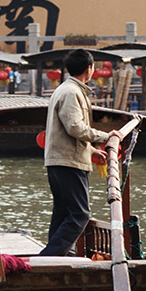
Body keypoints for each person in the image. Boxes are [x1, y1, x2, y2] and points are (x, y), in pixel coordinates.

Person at [39, 48, 103, 256]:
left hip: (61, 160)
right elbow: (74, 127)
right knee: (80, 214)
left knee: (63, 212)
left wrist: (92, 150)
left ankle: (58, 255)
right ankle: (49, 257)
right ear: (89, 69)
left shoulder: (66, 90)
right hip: (68, 162)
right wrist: (104, 136)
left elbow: (67, 129)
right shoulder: (72, 92)